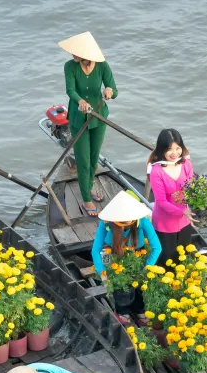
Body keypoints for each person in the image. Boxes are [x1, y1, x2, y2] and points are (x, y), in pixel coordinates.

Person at [60, 32, 117, 217]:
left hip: (98, 116)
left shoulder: (102, 66)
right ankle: (86, 198)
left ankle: (90, 185)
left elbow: (114, 89)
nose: (72, 55)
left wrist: (109, 91)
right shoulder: (70, 67)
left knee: (94, 157)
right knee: (83, 159)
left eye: (76, 52)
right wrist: (79, 101)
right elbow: (70, 90)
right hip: (79, 118)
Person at [91, 191, 161, 326]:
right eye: (120, 224)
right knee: (119, 284)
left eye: (127, 223)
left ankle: (138, 308)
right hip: (111, 253)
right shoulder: (106, 223)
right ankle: (122, 310)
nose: (123, 227)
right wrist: (103, 272)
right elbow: (96, 250)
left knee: (138, 284)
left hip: (136, 254)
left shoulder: (143, 221)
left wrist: (147, 266)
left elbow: (157, 247)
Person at [146, 128, 194, 268]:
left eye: (177, 148)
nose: (174, 153)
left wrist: (197, 199)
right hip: (165, 222)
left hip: (185, 219)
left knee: (184, 257)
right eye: (169, 149)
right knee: (167, 261)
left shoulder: (185, 163)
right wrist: (182, 212)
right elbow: (161, 202)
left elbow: (191, 187)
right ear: (162, 150)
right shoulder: (156, 171)